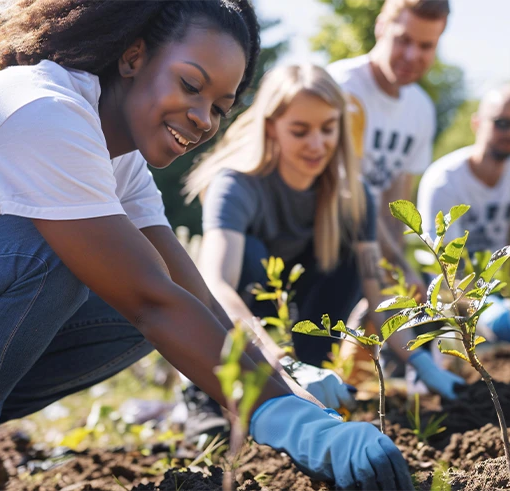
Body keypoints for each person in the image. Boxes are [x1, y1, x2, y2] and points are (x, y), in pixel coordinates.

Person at [0, 2, 413, 490]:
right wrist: (289, 422)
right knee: (51, 256)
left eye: (219, 107)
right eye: (191, 85)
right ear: (133, 57)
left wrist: (287, 380)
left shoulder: (118, 158)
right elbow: (149, 298)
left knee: (154, 294)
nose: (203, 119)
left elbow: (195, 296)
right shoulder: (45, 111)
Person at [184, 64, 464, 407]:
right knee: (249, 259)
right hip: (246, 302)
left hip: (305, 294)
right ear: (271, 128)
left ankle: (314, 378)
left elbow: (377, 293)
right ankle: (207, 398)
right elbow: (216, 286)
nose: (317, 145)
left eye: (328, 129)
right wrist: (282, 364)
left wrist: (420, 361)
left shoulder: (352, 194)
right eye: (300, 131)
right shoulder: (237, 186)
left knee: (350, 259)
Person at [326, 0, 450, 292]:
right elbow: (349, 194)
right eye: (403, 40)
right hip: (328, 239)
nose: (411, 55)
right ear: (381, 27)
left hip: (371, 247)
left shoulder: (421, 109)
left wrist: (397, 271)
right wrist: (397, 264)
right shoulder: (342, 87)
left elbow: (396, 204)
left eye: (425, 46)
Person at [417, 87, 510, 342]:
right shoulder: (444, 181)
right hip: (447, 292)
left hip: (494, 289)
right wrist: (477, 314)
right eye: (502, 123)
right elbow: (446, 267)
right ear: (477, 123)